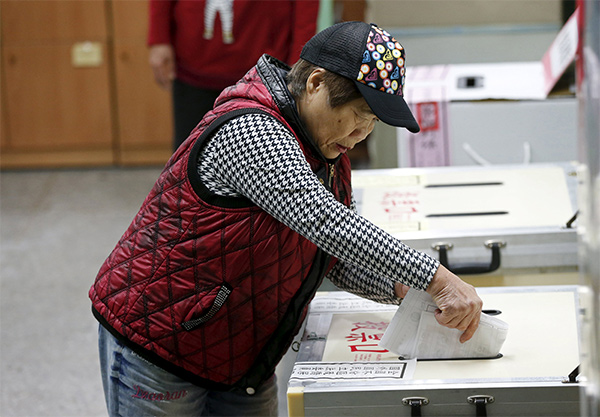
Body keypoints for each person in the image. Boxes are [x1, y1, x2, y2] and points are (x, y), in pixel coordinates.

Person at [90, 21, 482, 416]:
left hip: (243, 354)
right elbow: (325, 222)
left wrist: (398, 288)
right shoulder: (251, 129)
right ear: (315, 84)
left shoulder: (327, 152)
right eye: (360, 114)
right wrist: (436, 278)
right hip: (162, 342)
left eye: (374, 123)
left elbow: (329, 256)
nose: (362, 133)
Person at [147, 0, 320, 151]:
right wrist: (159, 37)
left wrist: (300, 53)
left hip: (264, 69)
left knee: (261, 166)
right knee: (189, 164)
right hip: (194, 59)